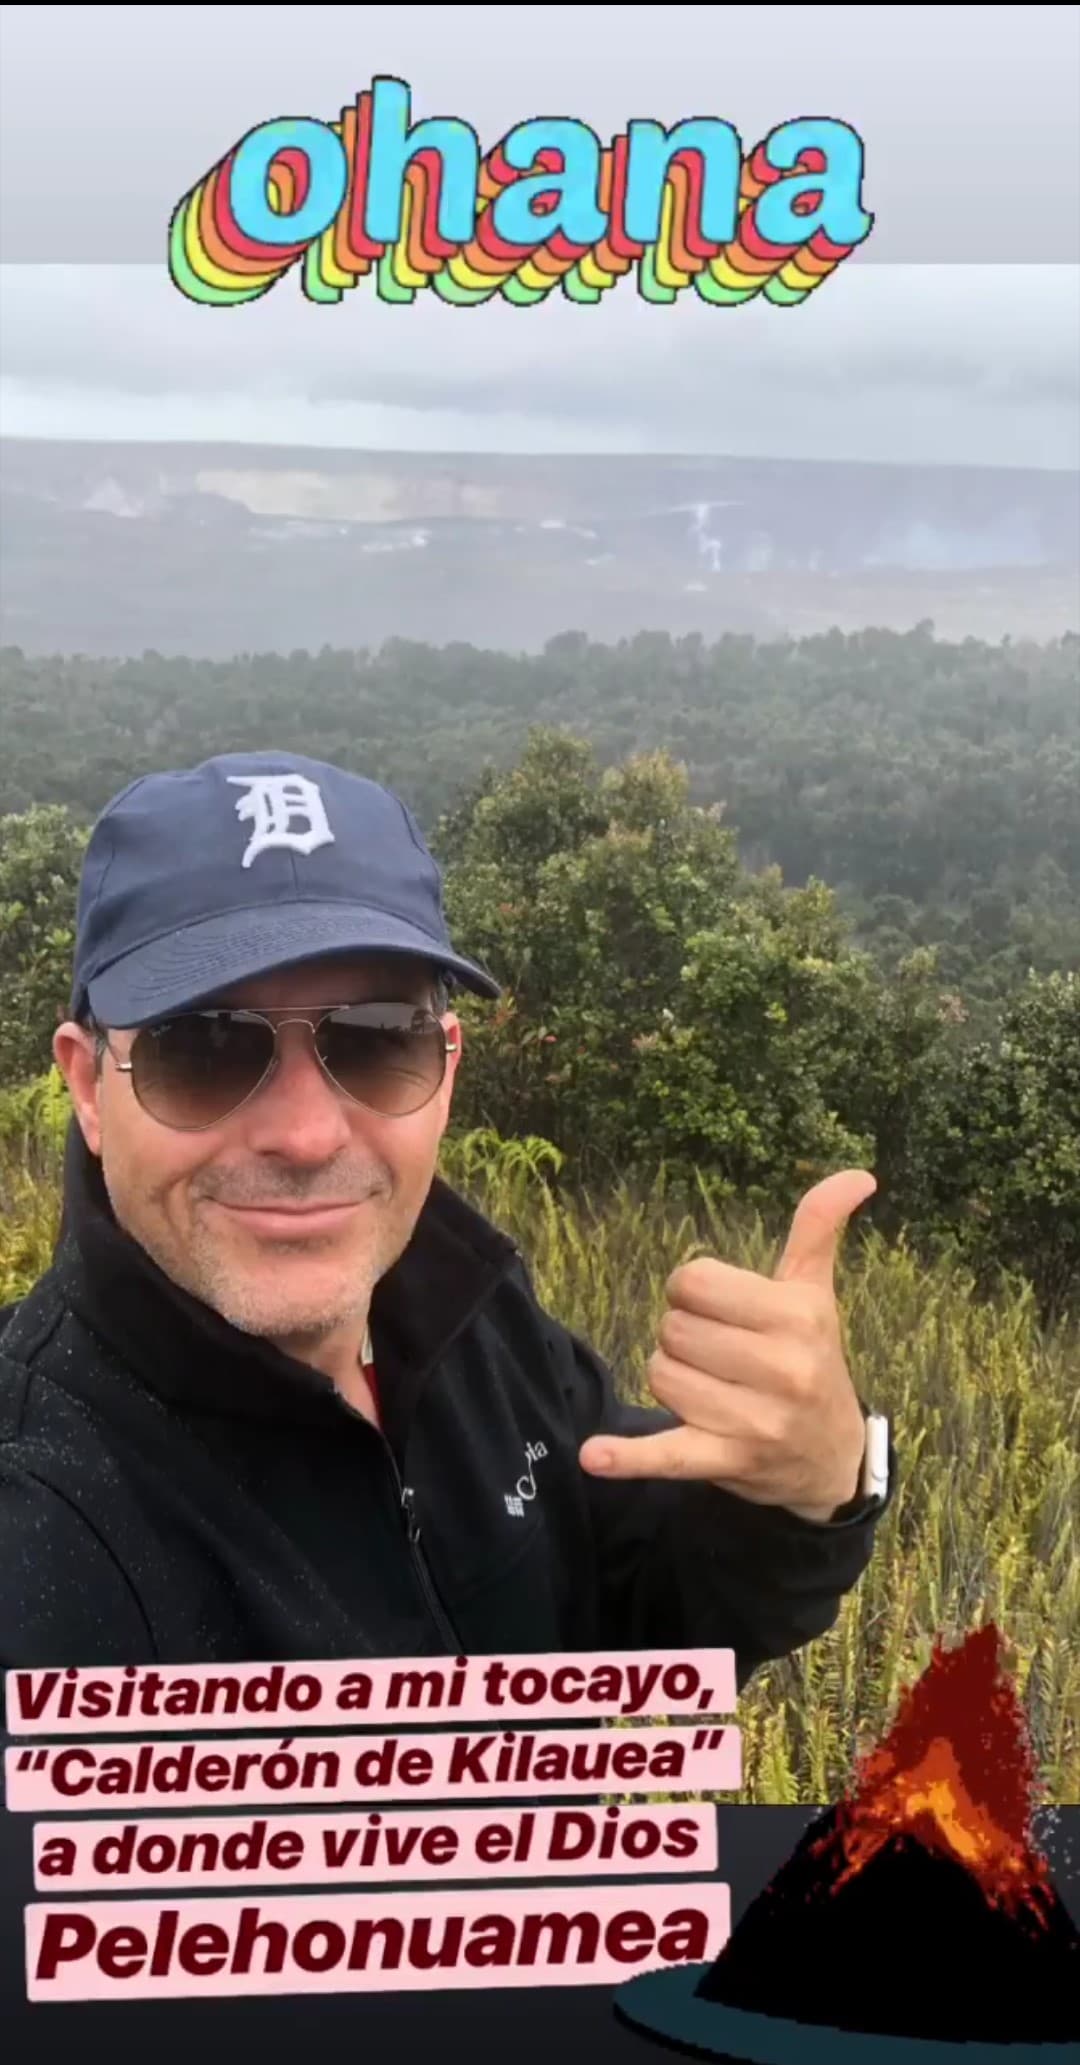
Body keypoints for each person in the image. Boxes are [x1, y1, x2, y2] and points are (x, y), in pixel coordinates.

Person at [0, 751, 893, 1682]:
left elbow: (632, 1611)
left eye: (377, 1039)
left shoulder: (467, 1307)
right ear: (89, 1086)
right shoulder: (44, 1520)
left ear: (447, 1070)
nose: (306, 1135)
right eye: (206, 1048)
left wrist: (813, 1487)